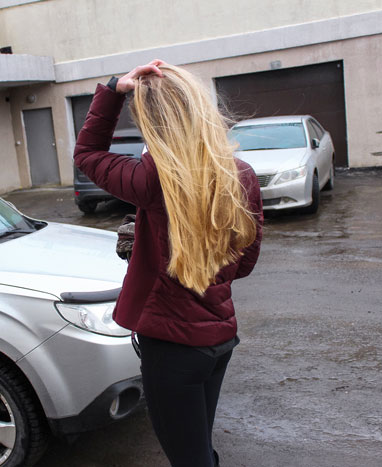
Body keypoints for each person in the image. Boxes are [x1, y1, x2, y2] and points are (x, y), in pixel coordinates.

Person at [74, 60, 263, 467]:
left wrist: (113, 89)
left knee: (189, 458)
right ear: (199, 109)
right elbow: (243, 263)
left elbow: (87, 153)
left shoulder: (150, 180)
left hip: (172, 351)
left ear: (150, 123)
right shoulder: (241, 174)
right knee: (199, 448)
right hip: (219, 342)